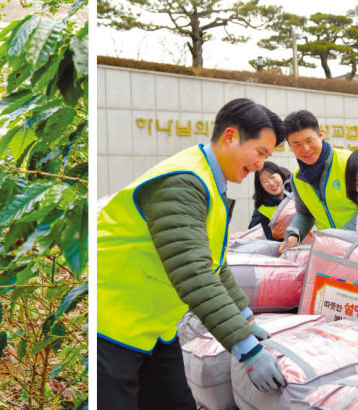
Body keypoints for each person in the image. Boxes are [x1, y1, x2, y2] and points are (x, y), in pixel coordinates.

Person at [98, 98, 288, 408]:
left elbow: (213, 264)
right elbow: (194, 273)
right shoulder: (183, 182)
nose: (260, 165)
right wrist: (247, 349)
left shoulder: (208, 182)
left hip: (152, 327)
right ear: (230, 137)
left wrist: (244, 318)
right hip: (111, 326)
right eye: (260, 152)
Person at [279, 110, 358, 252]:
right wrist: (294, 235)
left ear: (320, 135)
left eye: (309, 140)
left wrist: (343, 239)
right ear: (290, 147)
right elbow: (305, 213)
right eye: (297, 144)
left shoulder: (350, 162)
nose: (305, 149)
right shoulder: (296, 179)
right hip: (330, 250)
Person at [248, 161, 292, 241]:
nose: (271, 183)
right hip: (281, 247)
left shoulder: (296, 193)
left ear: (280, 175)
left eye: (272, 177)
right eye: (265, 181)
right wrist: (274, 236)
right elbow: (255, 237)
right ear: (261, 186)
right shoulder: (262, 210)